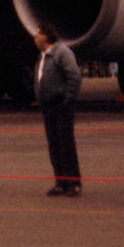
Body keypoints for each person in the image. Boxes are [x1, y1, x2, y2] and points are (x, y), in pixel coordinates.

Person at [34, 24, 82, 197]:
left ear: (46, 36)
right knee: (54, 144)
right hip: (48, 106)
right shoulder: (44, 55)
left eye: (37, 35)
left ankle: (73, 182)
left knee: (65, 144)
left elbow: (74, 76)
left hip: (61, 104)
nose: (35, 38)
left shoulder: (62, 52)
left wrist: (68, 99)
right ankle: (60, 182)